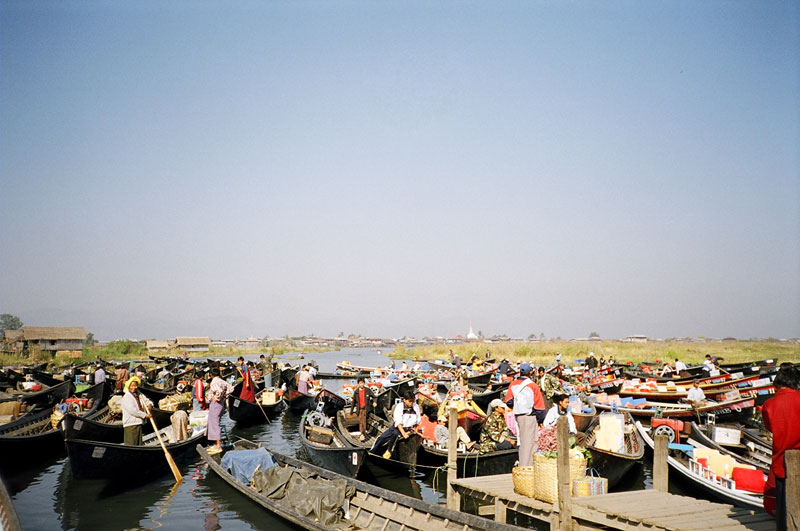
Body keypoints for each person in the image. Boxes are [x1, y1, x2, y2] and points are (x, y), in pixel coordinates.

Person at [762, 365, 800, 530]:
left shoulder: (769, 404)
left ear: (776, 385)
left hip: (781, 460)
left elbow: (770, 427)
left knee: (783, 507)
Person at [504, 363, 545, 467]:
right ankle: (527, 467)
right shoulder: (533, 385)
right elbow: (539, 406)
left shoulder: (513, 384)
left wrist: (517, 406)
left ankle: (524, 465)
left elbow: (508, 401)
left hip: (518, 416)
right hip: (529, 416)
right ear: (530, 372)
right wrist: (540, 420)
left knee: (522, 441)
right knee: (530, 443)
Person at [207, 367, 234, 453]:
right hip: (221, 404)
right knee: (215, 422)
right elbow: (231, 388)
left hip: (216, 404)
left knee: (215, 424)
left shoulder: (214, 382)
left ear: (211, 375)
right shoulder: (222, 381)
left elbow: (218, 390)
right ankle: (217, 443)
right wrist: (224, 396)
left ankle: (218, 446)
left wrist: (217, 398)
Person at [121, 376, 153, 445]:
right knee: (131, 444)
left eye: (135, 386)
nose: (134, 388)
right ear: (129, 386)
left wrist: (150, 404)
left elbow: (147, 401)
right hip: (131, 425)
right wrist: (145, 415)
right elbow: (133, 410)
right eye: (132, 386)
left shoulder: (139, 394)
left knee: (139, 444)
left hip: (139, 423)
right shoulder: (127, 397)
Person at [351, 377, 378, 441]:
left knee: (364, 421)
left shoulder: (367, 390)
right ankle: (362, 434)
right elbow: (354, 402)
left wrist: (375, 402)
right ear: (358, 384)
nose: (361, 385)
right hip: (359, 409)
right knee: (361, 421)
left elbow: (374, 397)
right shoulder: (356, 392)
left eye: (362, 383)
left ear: (364, 383)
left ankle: (363, 434)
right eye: (360, 383)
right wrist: (351, 411)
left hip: (366, 408)